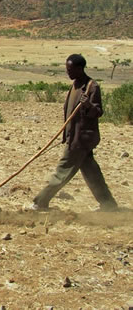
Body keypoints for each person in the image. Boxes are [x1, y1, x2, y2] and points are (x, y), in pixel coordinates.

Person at [32, 54, 118, 211]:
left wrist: (88, 105)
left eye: (70, 69)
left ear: (80, 69)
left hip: (81, 140)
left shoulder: (92, 87)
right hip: (75, 138)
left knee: (62, 171)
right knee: (93, 175)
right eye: (67, 69)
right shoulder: (75, 85)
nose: (68, 72)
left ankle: (40, 202)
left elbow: (98, 112)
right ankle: (109, 205)